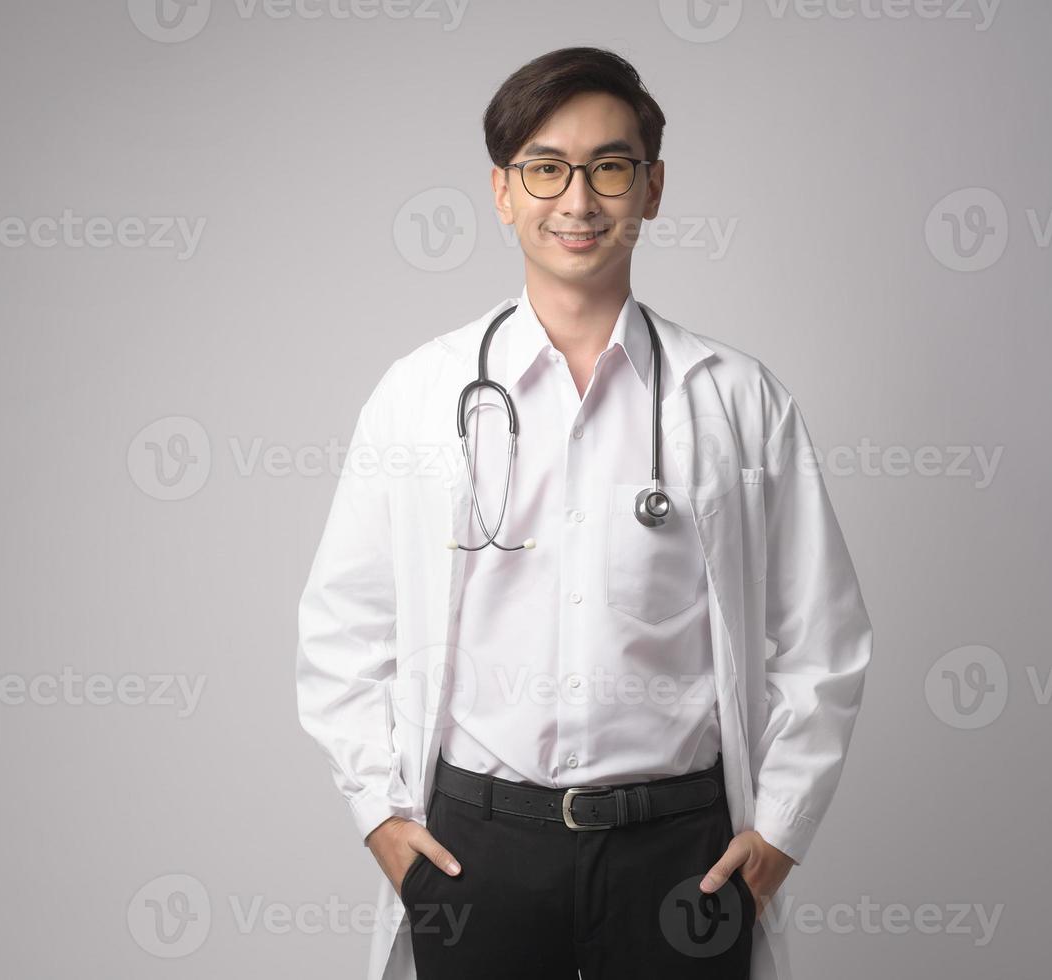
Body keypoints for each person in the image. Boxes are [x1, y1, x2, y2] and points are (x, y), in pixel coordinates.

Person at [296, 46, 873, 980]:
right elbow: (341, 629)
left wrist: (776, 837)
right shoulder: (420, 395)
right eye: (545, 168)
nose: (577, 200)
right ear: (501, 191)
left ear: (650, 188)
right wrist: (381, 821)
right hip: (476, 852)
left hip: (681, 854)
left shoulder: (733, 399)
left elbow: (823, 639)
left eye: (609, 167)